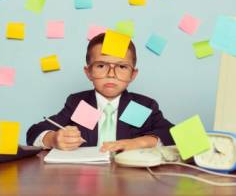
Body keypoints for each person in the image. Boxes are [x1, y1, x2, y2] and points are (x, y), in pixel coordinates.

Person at [26, 32, 174, 152]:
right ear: (88, 72)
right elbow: (34, 132)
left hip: (130, 179)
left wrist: (140, 142)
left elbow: (172, 133)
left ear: (133, 75)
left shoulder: (142, 105)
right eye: (101, 65)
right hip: (85, 178)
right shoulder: (79, 103)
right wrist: (53, 139)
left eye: (122, 67)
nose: (111, 74)